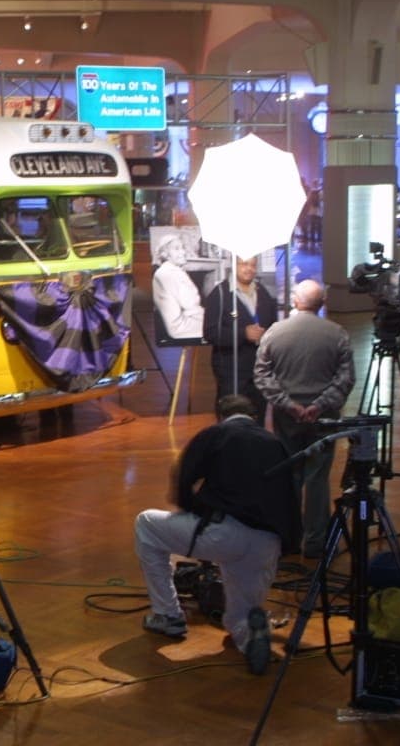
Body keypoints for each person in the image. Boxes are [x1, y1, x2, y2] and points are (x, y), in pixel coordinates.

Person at [134, 395, 299, 675]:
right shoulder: (276, 443)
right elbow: (293, 498)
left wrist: (194, 511)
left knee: (146, 524)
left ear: (220, 416)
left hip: (223, 534)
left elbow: (183, 481)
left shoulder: (215, 434)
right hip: (267, 542)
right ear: (254, 417)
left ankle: (168, 615)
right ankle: (250, 634)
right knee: (237, 618)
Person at [254, 279, 355, 557]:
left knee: (290, 476)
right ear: (322, 303)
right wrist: (319, 406)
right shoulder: (337, 334)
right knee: (318, 479)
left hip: (288, 419)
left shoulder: (276, 332)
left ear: (295, 301)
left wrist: (289, 405)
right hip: (324, 419)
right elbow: (346, 379)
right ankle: (315, 542)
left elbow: (262, 375)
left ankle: (288, 538)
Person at [202, 256, 278, 421]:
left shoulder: (263, 292)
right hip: (231, 370)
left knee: (258, 417)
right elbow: (210, 333)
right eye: (244, 264)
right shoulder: (220, 294)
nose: (249, 268)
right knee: (232, 419)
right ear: (234, 266)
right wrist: (243, 333)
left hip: (259, 369)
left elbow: (273, 325)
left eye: (253, 265)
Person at [152, 234, 204, 340]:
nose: (183, 252)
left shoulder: (169, 271)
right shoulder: (169, 273)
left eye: (183, 248)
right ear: (165, 254)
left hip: (185, 321)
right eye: (177, 249)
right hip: (182, 327)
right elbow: (190, 303)